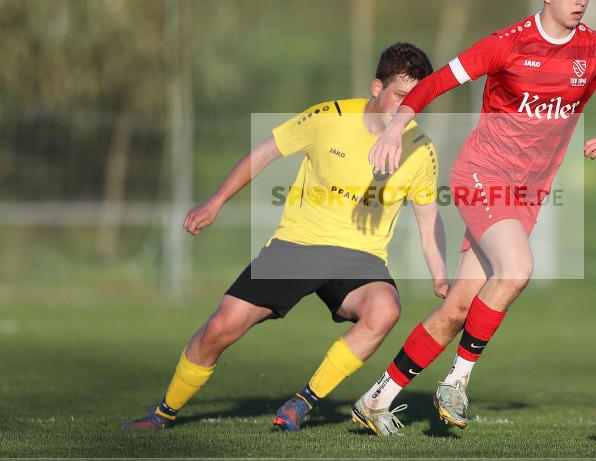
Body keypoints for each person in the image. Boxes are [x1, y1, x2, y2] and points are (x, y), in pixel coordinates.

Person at [350, 0, 596, 436]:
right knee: (517, 269)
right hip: (481, 174)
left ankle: (377, 398)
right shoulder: (507, 44)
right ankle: (456, 381)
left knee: (457, 309)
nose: (580, 0)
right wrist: (395, 129)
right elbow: (434, 84)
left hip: (527, 196)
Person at [123, 43, 448, 433]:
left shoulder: (421, 150)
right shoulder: (328, 117)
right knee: (219, 328)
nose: (407, 107)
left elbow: (430, 219)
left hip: (360, 258)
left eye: (418, 98)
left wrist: (440, 274)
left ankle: (304, 401)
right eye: (400, 95)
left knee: (385, 310)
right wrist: (215, 202)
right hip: (297, 246)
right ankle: (162, 413)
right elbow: (263, 154)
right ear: (376, 87)